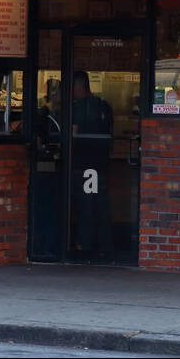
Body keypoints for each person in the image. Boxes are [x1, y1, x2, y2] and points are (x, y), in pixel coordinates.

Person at [69, 70, 114, 255]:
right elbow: (112, 132)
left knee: (86, 206)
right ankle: (105, 245)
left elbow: (73, 134)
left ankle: (85, 244)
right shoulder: (104, 106)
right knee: (100, 206)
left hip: (85, 165)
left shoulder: (79, 108)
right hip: (100, 164)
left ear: (78, 87)